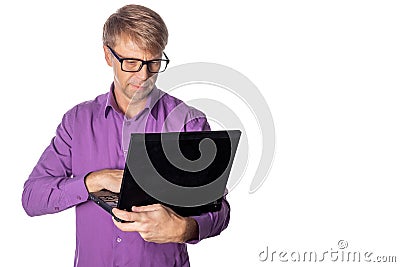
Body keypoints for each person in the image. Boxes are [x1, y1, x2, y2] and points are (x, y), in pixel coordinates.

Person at [22, 4, 230, 267]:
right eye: (131, 62)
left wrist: (184, 229)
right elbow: (32, 197)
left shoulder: (188, 121)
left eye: (153, 62)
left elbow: (219, 211)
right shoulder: (77, 122)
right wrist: (91, 181)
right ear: (108, 56)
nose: (143, 76)